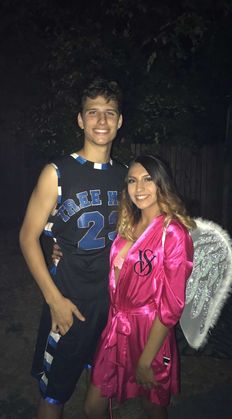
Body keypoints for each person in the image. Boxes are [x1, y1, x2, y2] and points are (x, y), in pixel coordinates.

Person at [19, 78, 127, 419]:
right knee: (54, 397)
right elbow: (26, 236)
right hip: (68, 304)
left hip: (112, 307)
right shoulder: (57, 173)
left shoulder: (127, 176)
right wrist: (55, 300)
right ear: (80, 120)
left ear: (120, 121)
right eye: (92, 112)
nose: (101, 121)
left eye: (109, 113)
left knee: (100, 394)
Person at [83, 154, 196, 419]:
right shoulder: (129, 223)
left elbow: (171, 305)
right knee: (92, 407)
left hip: (150, 331)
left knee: (153, 407)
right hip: (116, 326)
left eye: (148, 179)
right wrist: (59, 251)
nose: (139, 188)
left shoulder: (173, 233)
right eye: (132, 181)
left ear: (161, 184)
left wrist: (146, 359)